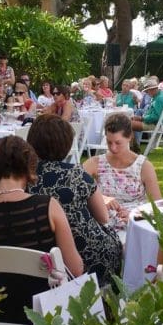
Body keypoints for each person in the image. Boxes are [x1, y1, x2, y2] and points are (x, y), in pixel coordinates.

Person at [0, 135, 84, 325]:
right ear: (29, 168)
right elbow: (75, 269)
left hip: (0, 316)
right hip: (50, 316)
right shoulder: (48, 207)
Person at [26, 114, 122, 284]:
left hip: (42, 260)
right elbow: (103, 217)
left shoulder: (26, 179)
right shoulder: (76, 174)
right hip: (89, 254)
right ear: (66, 144)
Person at [82, 113, 161, 222]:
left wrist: (136, 215)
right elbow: (74, 187)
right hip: (104, 226)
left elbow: (158, 206)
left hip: (134, 224)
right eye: (109, 142)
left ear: (129, 137)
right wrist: (102, 199)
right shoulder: (95, 163)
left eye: (118, 143)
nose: (113, 148)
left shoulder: (143, 166)